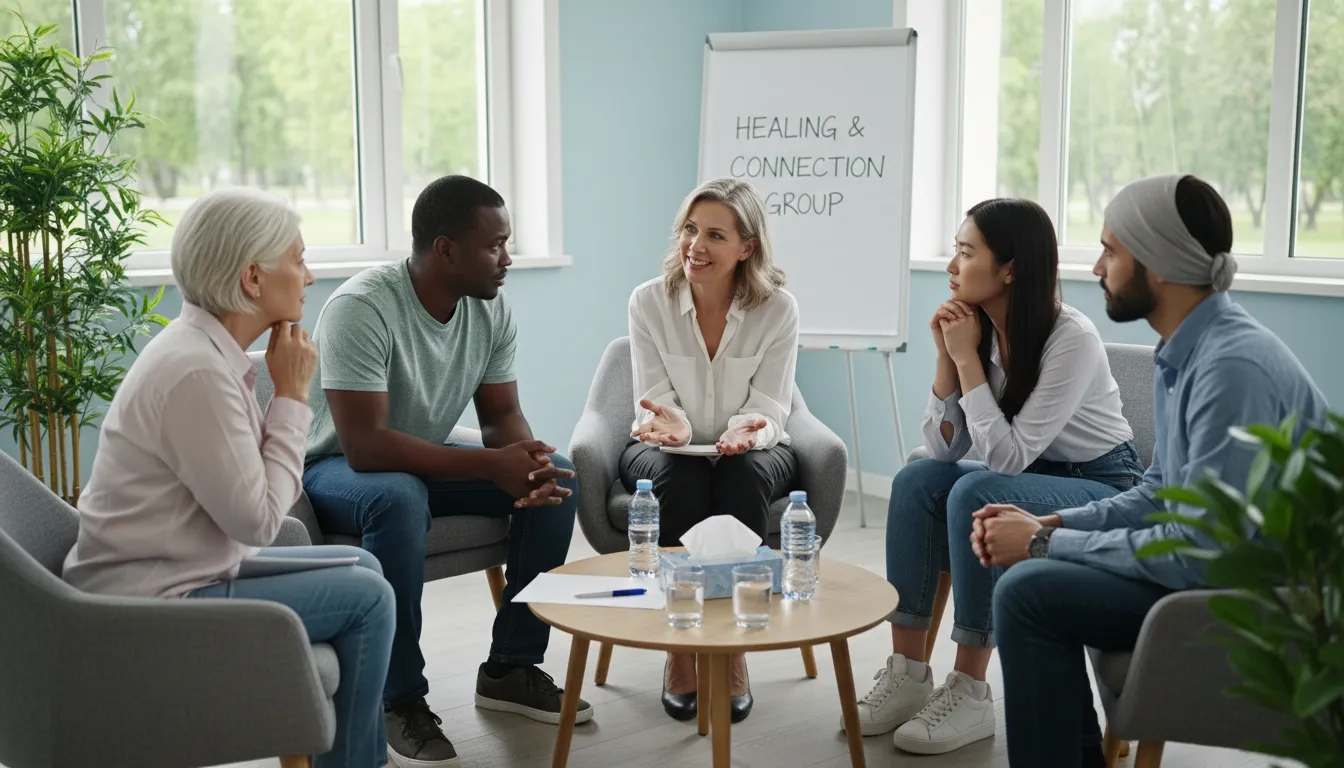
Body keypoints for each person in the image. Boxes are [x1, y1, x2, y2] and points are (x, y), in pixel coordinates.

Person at [979, 175, 1329, 768]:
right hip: (1220, 567)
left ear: (1159, 264)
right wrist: (1057, 518)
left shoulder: (1231, 368)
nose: (1096, 267)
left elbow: (1204, 550)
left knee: (1028, 592)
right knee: (1030, 586)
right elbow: (1162, 492)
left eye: (1112, 250)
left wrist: (1045, 543)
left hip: (1266, 598)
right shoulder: (1189, 352)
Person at [63, 188, 396, 768]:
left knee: (364, 567)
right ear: (252, 278)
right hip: (149, 603)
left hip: (178, 569)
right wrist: (291, 395)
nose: (310, 276)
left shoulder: (204, 351)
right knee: (368, 598)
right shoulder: (196, 371)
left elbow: (247, 506)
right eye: (297, 259)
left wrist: (282, 395)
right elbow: (261, 520)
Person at [300, 175, 587, 768]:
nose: (507, 260)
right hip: (334, 470)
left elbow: (501, 415)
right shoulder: (361, 308)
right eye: (495, 246)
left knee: (557, 478)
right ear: (445, 249)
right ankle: (398, 698)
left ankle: (511, 666)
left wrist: (524, 459)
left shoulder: (489, 309)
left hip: (417, 458)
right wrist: (490, 466)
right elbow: (365, 446)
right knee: (398, 498)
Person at [850, 198, 1145, 756]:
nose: (952, 266)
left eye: (966, 252)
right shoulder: (977, 327)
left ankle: (970, 688)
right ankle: (908, 675)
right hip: (1030, 473)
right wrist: (947, 359)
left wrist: (967, 365)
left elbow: (1006, 460)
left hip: (1102, 483)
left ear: (1010, 268)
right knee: (917, 481)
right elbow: (946, 449)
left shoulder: (1070, 338)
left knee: (977, 489)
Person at [623, 178, 799, 724]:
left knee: (740, 477)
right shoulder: (649, 301)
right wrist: (671, 424)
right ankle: (680, 649)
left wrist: (750, 430)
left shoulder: (778, 310)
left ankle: (733, 654)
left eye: (715, 235)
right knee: (681, 479)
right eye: (690, 230)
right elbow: (653, 398)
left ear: (747, 247)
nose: (695, 245)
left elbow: (771, 407)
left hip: (751, 449)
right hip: (664, 448)